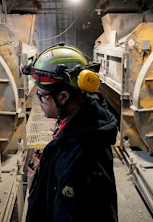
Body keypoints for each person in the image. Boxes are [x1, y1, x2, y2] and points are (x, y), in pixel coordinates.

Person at [22, 43, 119, 222]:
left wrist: (37, 185)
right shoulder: (78, 121)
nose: (39, 101)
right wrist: (44, 174)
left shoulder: (82, 158)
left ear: (64, 96)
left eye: (42, 95)